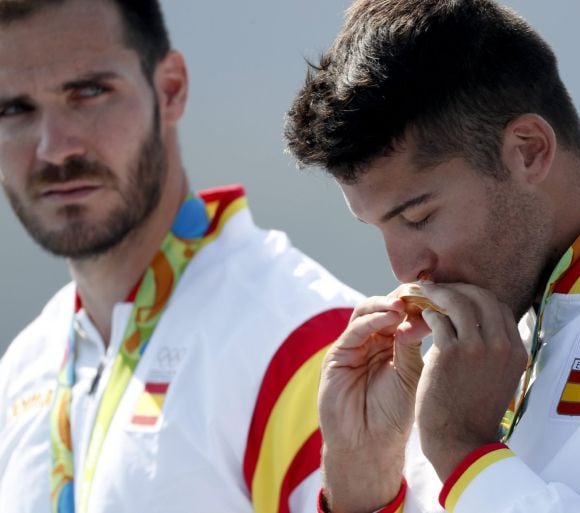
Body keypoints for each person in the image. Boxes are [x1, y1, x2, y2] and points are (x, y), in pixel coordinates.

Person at [284, 0, 580, 511]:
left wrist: (462, 450)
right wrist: (366, 482)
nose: (404, 269)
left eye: (418, 217)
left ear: (529, 150)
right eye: (377, 228)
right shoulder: (488, 327)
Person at [0, 1, 361, 512]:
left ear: (170, 90)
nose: (54, 148)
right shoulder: (24, 367)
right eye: (14, 109)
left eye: (89, 92)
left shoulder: (308, 342)